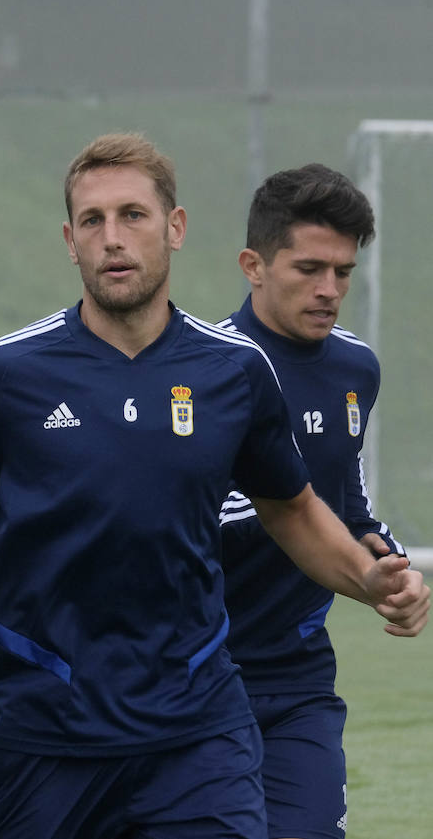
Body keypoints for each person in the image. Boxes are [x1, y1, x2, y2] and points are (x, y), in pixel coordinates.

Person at [0, 133, 428, 839]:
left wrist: (369, 578)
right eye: (92, 221)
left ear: (175, 229)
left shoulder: (235, 373)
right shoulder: (10, 373)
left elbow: (294, 506)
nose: (112, 238)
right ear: (70, 239)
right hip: (51, 728)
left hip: (198, 729)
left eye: (133, 216)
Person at [218, 164, 402, 839]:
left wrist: (383, 565)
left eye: (343, 271)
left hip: (299, 680)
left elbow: (346, 501)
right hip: (196, 678)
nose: (330, 290)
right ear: (253, 264)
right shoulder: (202, 374)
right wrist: (284, 515)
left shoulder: (356, 368)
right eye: (309, 268)